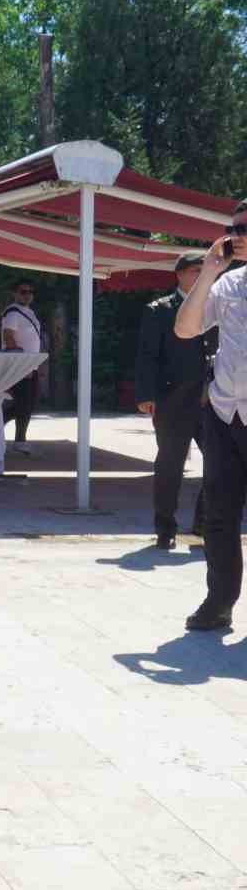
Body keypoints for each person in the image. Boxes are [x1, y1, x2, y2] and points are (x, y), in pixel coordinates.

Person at [175, 207, 247, 631]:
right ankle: (219, 603)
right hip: (224, 415)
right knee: (218, 517)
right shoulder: (229, 283)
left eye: (244, 229)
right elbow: (186, 329)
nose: (237, 235)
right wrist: (208, 272)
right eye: (233, 229)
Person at [135, 252, 216, 550]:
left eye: (204, 271)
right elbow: (147, 355)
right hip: (173, 399)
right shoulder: (160, 309)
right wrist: (146, 395)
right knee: (170, 464)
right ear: (179, 274)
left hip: (213, 399)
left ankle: (204, 523)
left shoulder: (217, 305)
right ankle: (165, 527)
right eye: (196, 271)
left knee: (221, 463)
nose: (201, 276)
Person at [0, 279, 44, 455]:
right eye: (23, 291)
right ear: (15, 293)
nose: (27, 295)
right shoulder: (12, 314)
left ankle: (12, 435)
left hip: (30, 364)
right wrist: (19, 364)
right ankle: (11, 436)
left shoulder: (29, 312)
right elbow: (8, 336)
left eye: (30, 292)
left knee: (28, 403)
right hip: (20, 365)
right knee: (23, 403)